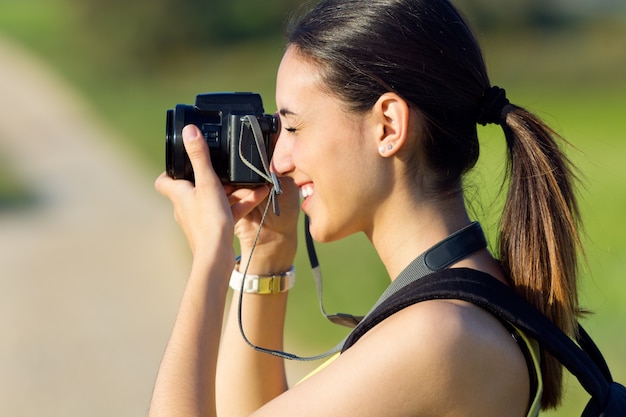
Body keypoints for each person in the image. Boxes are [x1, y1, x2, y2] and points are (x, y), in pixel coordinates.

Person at [150, 0, 583, 416]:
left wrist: (211, 257)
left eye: (295, 126)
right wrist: (265, 252)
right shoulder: (463, 300)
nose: (278, 159)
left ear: (388, 126)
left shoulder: (436, 336)